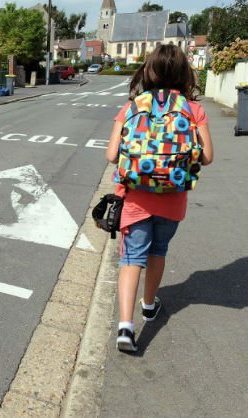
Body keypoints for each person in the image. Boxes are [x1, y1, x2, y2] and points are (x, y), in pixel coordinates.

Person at [105, 45, 214, 352]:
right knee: (159, 250)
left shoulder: (132, 107)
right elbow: (207, 157)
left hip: (136, 197)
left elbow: (112, 155)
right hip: (173, 199)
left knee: (131, 258)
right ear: (184, 73)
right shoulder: (193, 109)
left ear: (149, 70)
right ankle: (149, 305)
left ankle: (125, 327)